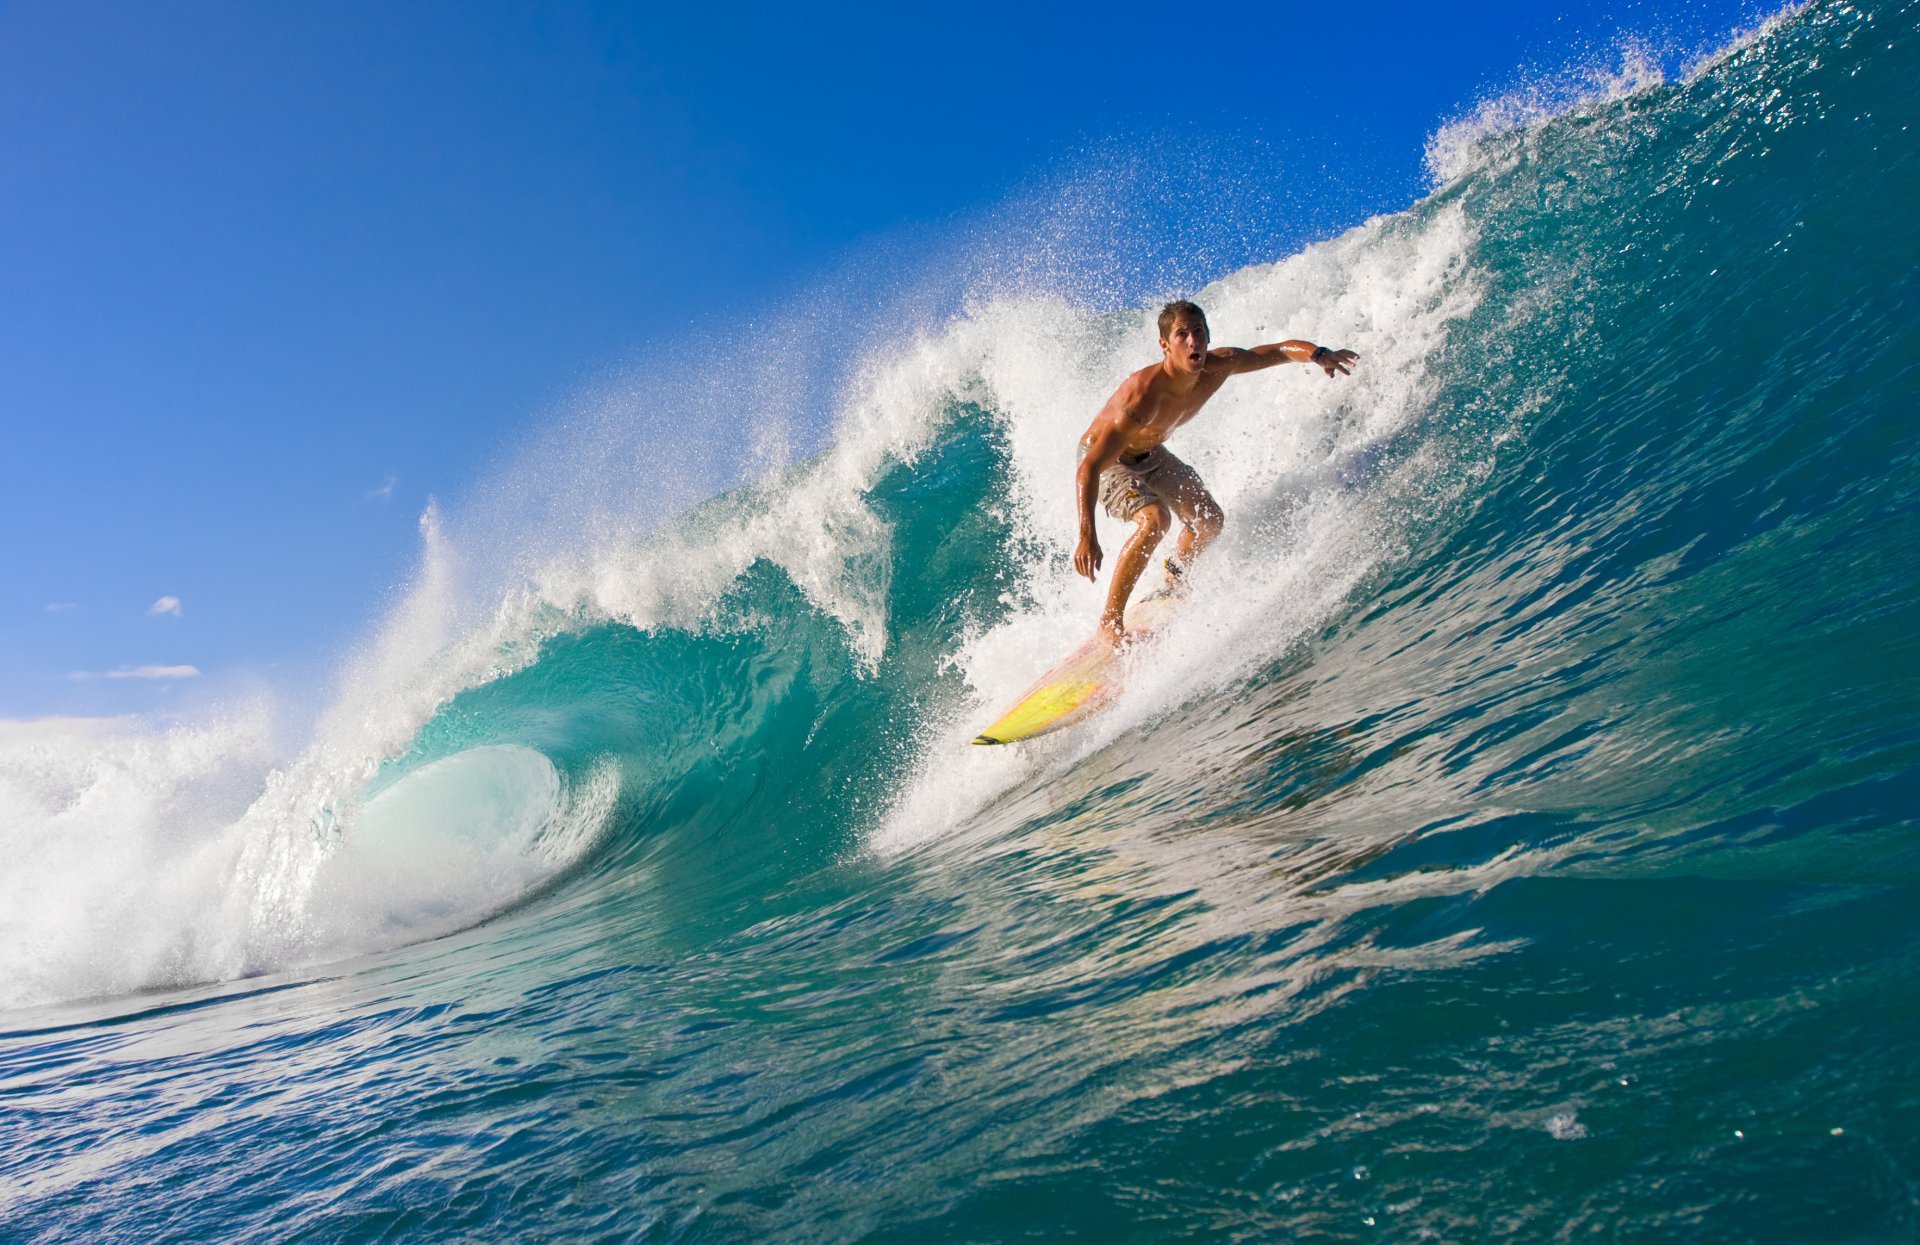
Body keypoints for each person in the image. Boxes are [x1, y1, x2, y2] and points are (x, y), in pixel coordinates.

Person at [1074, 300, 1358, 641]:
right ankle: (1109, 622)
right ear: (1165, 345)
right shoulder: (1143, 398)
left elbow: (1277, 351)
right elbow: (1090, 467)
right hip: (1107, 459)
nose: (1193, 341)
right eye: (1182, 335)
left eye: (1199, 332)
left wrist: (1318, 353)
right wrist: (1087, 534)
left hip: (1150, 452)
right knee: (1155, 520)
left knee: (1209, 519)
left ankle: (1174, 576)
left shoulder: (1218, 366)